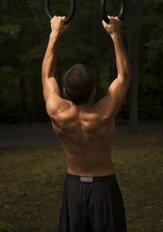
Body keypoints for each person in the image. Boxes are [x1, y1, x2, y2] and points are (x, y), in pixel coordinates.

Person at [42, 15, 132, 232]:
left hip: (74, 188)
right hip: (103, 187)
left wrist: (55, 33)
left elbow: (47, 75)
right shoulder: (104, 114)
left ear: (64, 92)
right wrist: (115, 34)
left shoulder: (57, 112)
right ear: (93, 91)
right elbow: (124, 76)